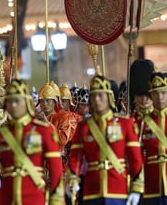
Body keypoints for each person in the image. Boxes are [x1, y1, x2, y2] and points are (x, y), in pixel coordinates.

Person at [0, 78, 64, 205]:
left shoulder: (43, 130)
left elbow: (55, 167)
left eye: (17, 101)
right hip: (6, 198)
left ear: (26, 102)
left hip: (34, 198)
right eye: (10, 101)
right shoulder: (0, 134)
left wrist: (57, 198)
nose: (13, 105)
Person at [66, 74, 143, 205]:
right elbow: (76, 158)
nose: (97, 99)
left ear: (109, 97)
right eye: (94, 95)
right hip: (92, 190)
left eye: (101, 95)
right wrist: (73, 178)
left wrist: (136, 187)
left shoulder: (125, 124)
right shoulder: (83, 126)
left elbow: (135, 158)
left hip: (117, 189)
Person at [140, 71, 167, 204]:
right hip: (151, 183)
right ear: (151, 95)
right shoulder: (143, 122)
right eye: (155, 93)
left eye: (163, 92)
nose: (159, 97)